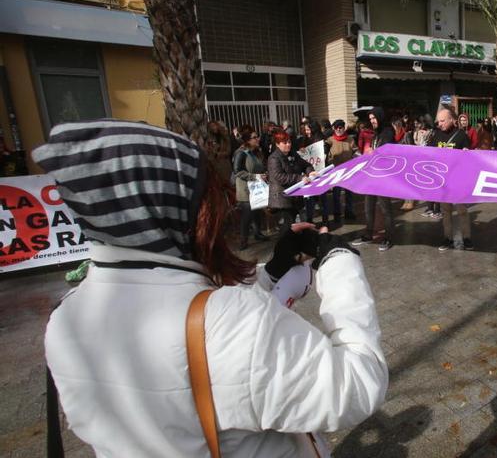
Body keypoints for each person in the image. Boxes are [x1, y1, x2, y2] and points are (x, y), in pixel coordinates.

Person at [33, 120, 388, 457]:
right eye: (208, 197)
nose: (224, 208)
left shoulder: (65, 318)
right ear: (173, 208)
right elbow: (355, 387)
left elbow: (217, 346)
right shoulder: (229, 323)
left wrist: (275, 270)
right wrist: (340, 261)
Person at [352, 108, 396, 251]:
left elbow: (387, 151)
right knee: (368, 206)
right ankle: (368, 234)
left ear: (380, 117)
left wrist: (373, 152)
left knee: (385, 209)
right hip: (372, 176)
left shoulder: (388, 132)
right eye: (370, 119)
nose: (372, 121)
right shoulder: (376, 134)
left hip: (384, 177)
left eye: (374, 118)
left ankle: (389, 238)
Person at [430, 107, 474, 251]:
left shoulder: (461, 135)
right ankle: (447, 238)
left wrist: (467, 153)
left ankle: (466, 238)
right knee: (445, 211)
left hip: (458, 180)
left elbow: (470, 157)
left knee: (462, 211)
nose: (440, 124)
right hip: (443, 181)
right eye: (438, 121)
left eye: (443, 121)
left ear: (451, 120)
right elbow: (428, 154)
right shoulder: (436, 135)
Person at [268, 131, 314, 231]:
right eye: (284, 143)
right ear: (277, 144)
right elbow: (279, 177)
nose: (288, 144)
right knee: (287, 226)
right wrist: (299, 178)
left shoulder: (293, 154)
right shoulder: (274, 158)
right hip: (282, 198)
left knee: (303, 223)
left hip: (296, 196)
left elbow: (306, 165)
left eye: (289, 142)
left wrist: (310, 172)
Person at [232, 125, 269, 250]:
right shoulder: (240, 153)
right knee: (247, 216)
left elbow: (260, 167)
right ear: (247, 140)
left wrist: (264, 174)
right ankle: (243, 240)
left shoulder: (255, 152)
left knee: (258, 213)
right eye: (254, 137)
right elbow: (238, 171)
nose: (257, 139)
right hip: (245, 190)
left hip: (257, 189)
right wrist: (256, 177)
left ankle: (258, 233)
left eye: (257, 136)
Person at [326, 120, 358, 221]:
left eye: (340, 127)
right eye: (336, 128)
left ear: (344, 128)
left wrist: (359, 157)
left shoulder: (350, 139)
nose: (338, 129)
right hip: (336, 171)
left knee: (349, 194)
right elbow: (323, 150)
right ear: (333, 129)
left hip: (348, 171)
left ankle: (349, 211)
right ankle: (337, 213)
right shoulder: (330, 140)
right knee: (336, 194)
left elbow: (356, 151)